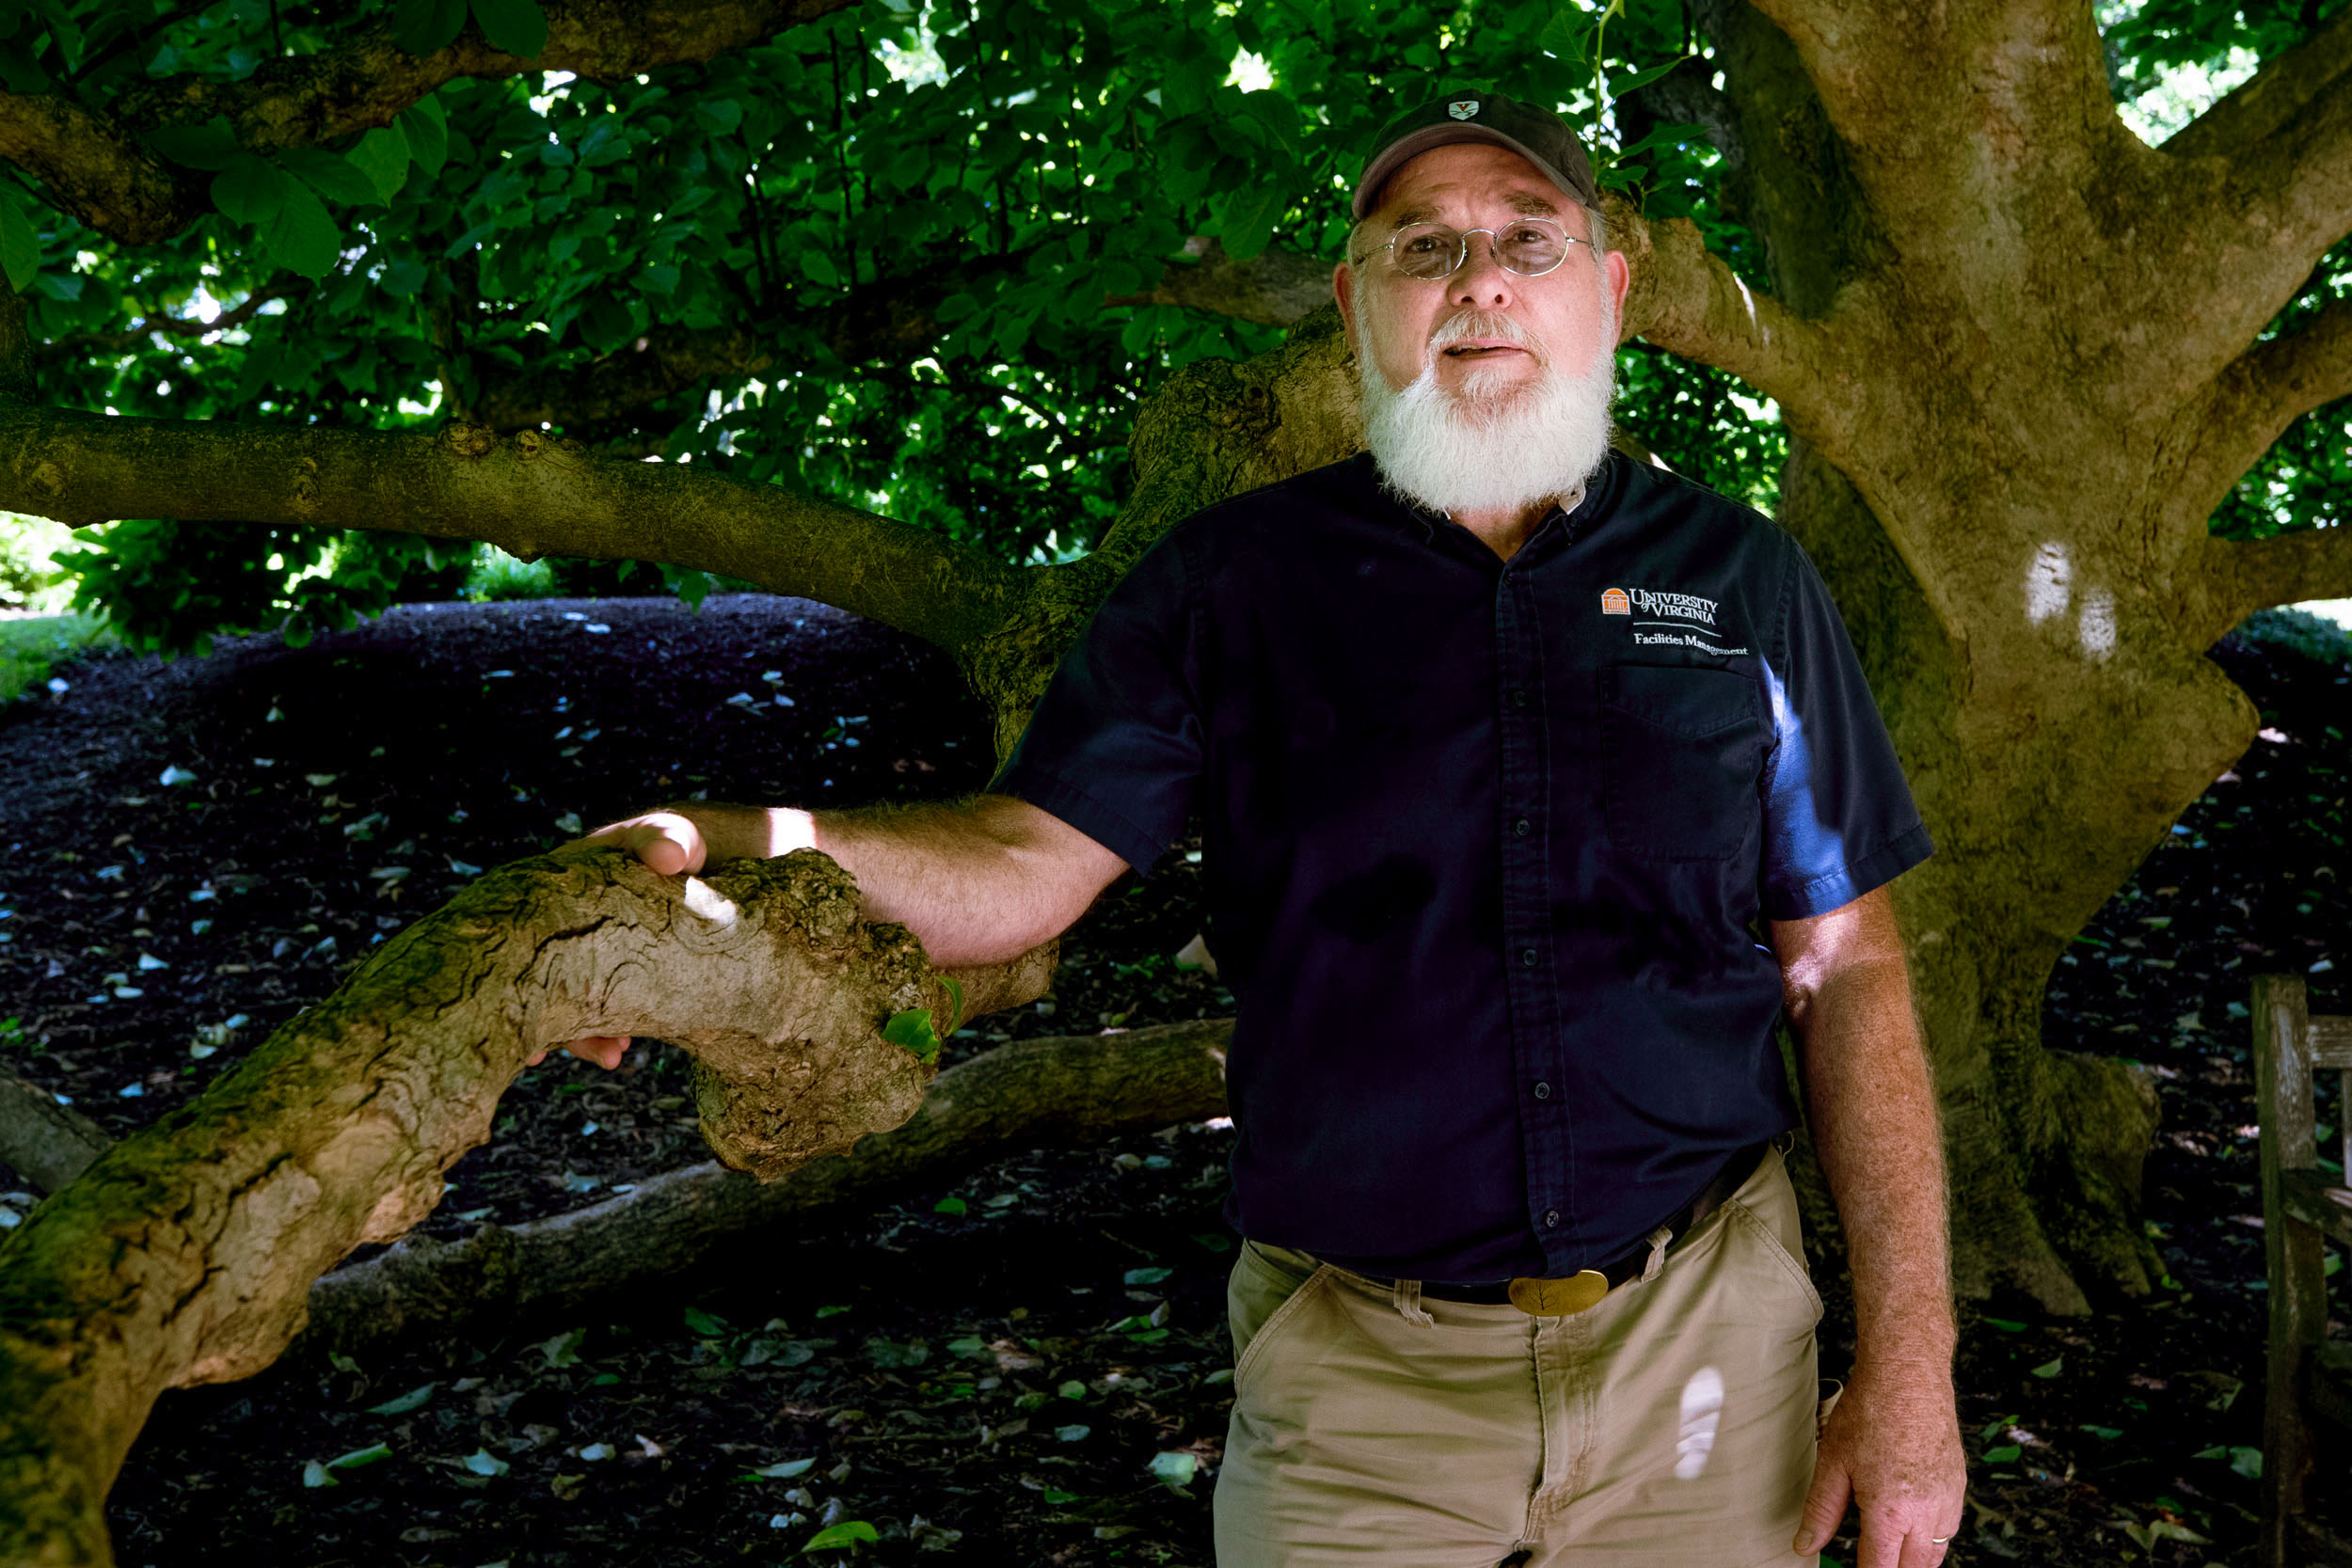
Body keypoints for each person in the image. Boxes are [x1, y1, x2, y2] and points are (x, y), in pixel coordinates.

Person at [553, 90, 1966, 1568]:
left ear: (1607, 289)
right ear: (1361, 306)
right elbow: (1022, 866)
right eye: (1425, 247)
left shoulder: (1743, 581)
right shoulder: (1231, 586)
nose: (1479, 278)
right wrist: (731, 843)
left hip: (1709, 1350)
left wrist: (1913, 1368)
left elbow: (1849, 963)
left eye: (1527, 240)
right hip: (1361, 1382)